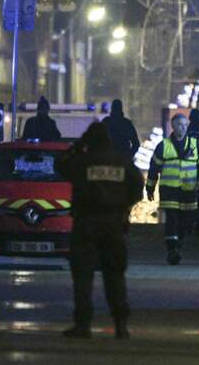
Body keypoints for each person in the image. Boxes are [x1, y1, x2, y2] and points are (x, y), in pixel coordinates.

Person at [58, 122, 144, 340]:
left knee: (83, 276)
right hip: (113, 224)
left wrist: (77, 146)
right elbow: (137, 189)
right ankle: (121, 325)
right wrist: (123, 205)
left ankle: (83, 325)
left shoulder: (83, 161)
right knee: (114, 275)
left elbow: (60, 167)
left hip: (86, 223)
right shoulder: (121, 162)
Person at [146, 114, 199, 265]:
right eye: (179, 124)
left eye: (184, 124)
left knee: (186, 221)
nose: (182, 127)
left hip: (188, 191)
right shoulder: (163, 145)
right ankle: (172, 249)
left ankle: (178, 244)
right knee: (172, 220)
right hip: (169, 189)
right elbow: (154, 167)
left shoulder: (196, 145)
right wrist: (150, 187)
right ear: (173, 126)